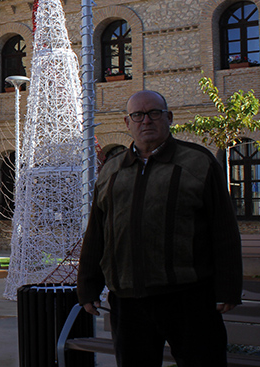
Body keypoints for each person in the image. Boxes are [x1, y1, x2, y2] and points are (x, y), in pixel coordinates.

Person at [77, 90, 242, 367]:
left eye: (154, 113)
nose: (146, 121)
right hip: (128, 301)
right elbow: (98, 232)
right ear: (128, 123)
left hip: (189, 298)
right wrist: (87, 285)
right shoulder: (111, 170)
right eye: (138, 115)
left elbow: (223, 229)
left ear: (169, 118)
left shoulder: (197, 162)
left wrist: (228, 287)